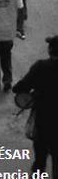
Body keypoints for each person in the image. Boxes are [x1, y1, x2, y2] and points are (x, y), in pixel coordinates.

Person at [13, 35, 58, 175]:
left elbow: (19, 88)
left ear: (50, 50)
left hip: (43, 119)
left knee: (40, 159)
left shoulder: (40, 67)